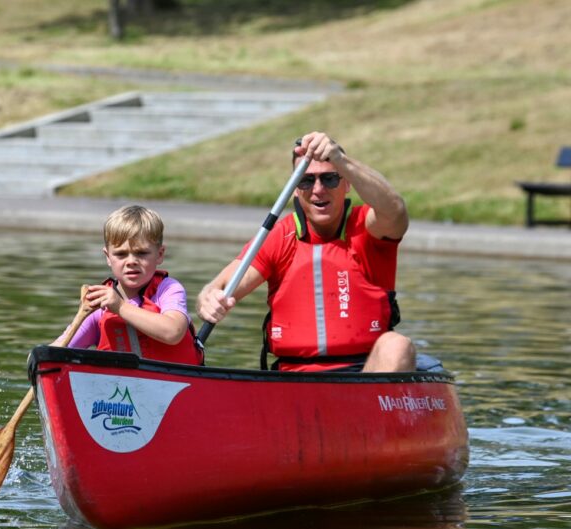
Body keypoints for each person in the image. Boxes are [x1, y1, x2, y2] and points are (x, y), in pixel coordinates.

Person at [196, 131, 416, 372]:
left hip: (363, 373)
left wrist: (340, 159)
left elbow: (395, 210)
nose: (318, 190)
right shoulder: (280, 236)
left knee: (396, 345)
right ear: (294, 189)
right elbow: (219, 288)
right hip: (294, 379)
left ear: (347, 182)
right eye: (307, 180)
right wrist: (208, 299)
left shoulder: (368, 227)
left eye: (330, 178)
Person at [52, 205, 203, 365]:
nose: (131, 261)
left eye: (141, 253)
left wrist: (120, 307)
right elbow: (56, 351)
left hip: (177, 384)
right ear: (108, 257)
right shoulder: (98, 307)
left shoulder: (169, 289)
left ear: (159, 255)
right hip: (120, 389)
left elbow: (173, 332)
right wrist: (37, 359)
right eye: (121, 254)